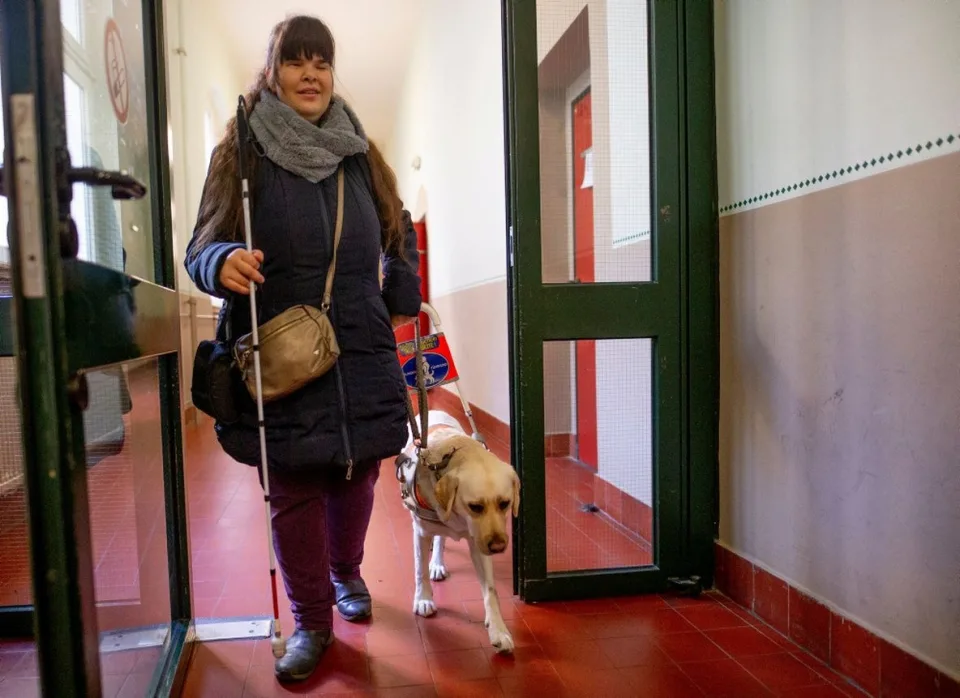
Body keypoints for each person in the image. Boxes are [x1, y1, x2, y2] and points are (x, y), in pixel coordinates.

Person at [183, 14, 420, 682]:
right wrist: (221, 261)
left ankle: (346, 571)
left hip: (362, 344)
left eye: (321, 61)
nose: (311, 73)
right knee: (292, 488)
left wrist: (402, 295)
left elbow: (396, 235)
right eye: (296, 61)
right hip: (281, 350)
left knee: (359, 474)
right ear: (273, 71)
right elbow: (199, 247)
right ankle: (312, 620)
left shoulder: (359, 153)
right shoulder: (243, 150)